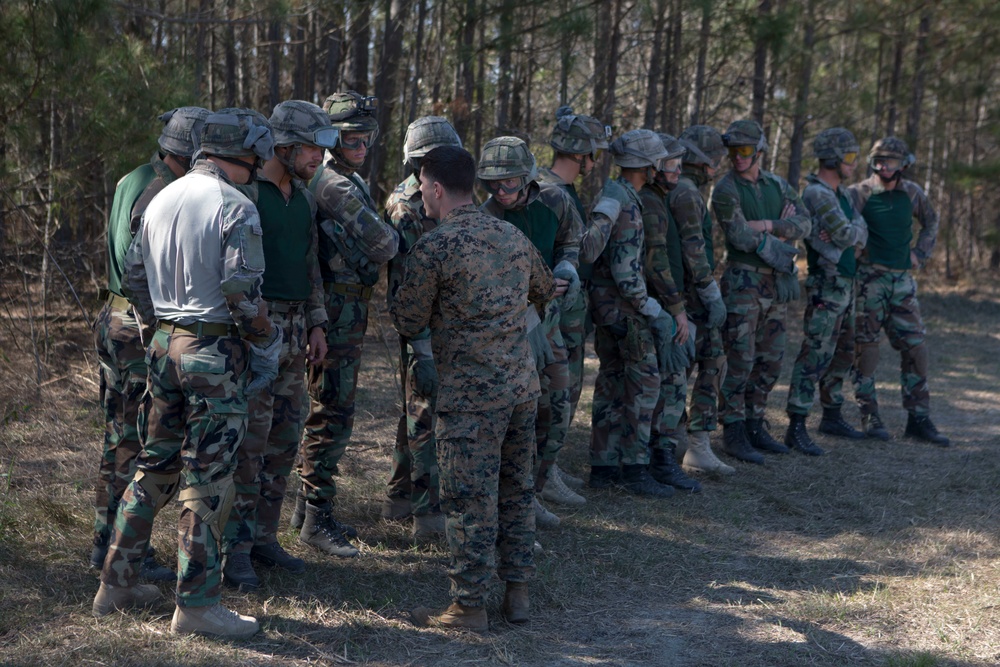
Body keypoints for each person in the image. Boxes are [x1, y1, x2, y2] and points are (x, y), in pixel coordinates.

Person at [95, 108, 279, 638]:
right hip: (214, 351)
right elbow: (243, 294)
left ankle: (117, 581)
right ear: (242, 159)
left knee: (154, 464)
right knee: (209, 476)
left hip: (164, 348)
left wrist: (161, 328)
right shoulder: (235, 206)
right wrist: (266, 339)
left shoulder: (161, 198)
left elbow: (133, 277)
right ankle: (196, 603)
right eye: (255, 161)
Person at [391, 145, 555, 632]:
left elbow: (407, 318)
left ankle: (469, 606)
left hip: (469, 398)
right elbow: (544, 289)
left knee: (468, 500)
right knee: (517, 490)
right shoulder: (510, 235)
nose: (421, 195)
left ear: (437, 188)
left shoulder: (435, 246)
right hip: (522, 390)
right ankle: (518, 594)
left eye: (422, 187)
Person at [91, 106, 209, 581]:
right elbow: (140, 267)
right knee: (135, 443)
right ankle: (121, 554)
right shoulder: (163, 188)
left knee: (117, 438)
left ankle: (106, 543)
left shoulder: (132, 177)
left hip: (114, 314)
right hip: (135, 325)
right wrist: (156, 323)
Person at [221, 100, 334, 590]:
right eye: (313, 148)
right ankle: (234, 549)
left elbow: (311, 266)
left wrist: (317, 323)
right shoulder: (246, 192)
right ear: (284, 146)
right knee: (250, 445)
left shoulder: (305, 197)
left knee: (285, 442)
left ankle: (265, 537)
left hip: (295, 333)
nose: (320, 158)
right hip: (256, 334)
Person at [296, 91, 400, 557]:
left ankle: (306, 510)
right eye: (350, 139)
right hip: (336, 311)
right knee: (331, 413)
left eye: (366, 138)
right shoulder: (333, 184)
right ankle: (316, 517)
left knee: (327, 409)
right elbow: (384, 245)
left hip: (344, 308)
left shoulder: (342, 179)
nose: (360, 147)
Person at [479, 136, 584, 526]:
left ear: (527, 178)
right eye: (491, 184)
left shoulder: (556, 201)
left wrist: (567, 269)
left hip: (549, 320)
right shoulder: (485, 216)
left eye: (508, 183)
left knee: (558, 399)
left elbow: (571, 241)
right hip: (509, 330)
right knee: (518, 414)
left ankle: (543, 480)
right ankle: (517, 496)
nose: (500, 192)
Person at [711, 119, 811, 464]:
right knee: (740, 359)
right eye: (732, 151)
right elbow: (738, 236)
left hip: (776, 284)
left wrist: (768, 226)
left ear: (759, 151)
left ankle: (755, 423)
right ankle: (734, 430)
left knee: (770, 360)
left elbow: (805, 222)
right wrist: (783, 239)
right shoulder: (725, 190)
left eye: (745, 151)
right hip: (743, 283)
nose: (737, 157)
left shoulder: (778, 185)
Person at [383, 115, 463, 543]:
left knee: (415, 408)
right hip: (421, 322)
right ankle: (426, 513)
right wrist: (423, 344)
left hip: (436, 318)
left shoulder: (431, 195)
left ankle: (398, 495)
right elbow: (415, 280)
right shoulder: (408, 208)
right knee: (426, 412)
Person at [587, 129, 676, 497]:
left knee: (611, 382)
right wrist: (654, 310)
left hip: (608, 310)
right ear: (648, 165)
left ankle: (604, 467)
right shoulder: (624, 202)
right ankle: (635, 469)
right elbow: (627, 273)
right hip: (624, 312)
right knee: (645, 384)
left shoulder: (616, 194)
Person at [848, 136, 949, 446]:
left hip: (902, 282)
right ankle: (869, 416)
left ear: (904, 165)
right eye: (879, 161)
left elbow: (932, 222)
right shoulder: (859, 194)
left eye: (890, 161)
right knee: (867, 349)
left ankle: (918, 418)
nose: (884, 166)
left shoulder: (912, 192)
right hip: (869, 280)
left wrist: (921, 252)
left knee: (915, 347)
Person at [536, 107, 610, 493]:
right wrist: (606, 216)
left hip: (569, 310)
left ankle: (549, 466)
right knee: (557, 394)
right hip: (555, 311)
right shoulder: (550, 192)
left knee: (567, 391)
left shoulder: (558, 189)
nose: (594, 161)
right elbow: (585, 250)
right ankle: (542, 474)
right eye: (593, 152)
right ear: (582, 155)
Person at [783, 128, 868, 455]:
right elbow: (847, 235)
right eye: (848, 157)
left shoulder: (843, 194)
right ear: (832, 158)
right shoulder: (817, 193)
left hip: (847, 282)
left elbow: (860, 231)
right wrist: (851, 236)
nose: (853, 163)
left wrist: (852, 235)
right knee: (815, 353)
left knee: (844, 350)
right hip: (827, 284)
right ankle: (796, 425)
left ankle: (831, 414)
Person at [637, 133, 701, 492]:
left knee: (668, 382)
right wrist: (676, 309)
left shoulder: (660, 199)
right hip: (658, 307)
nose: (677, 171)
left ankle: (659, 456)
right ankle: (659, 459)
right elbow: (655, 260)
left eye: (679, 164)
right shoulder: (649, 202)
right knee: (671, 382)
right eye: (671, 165)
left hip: (665, 304)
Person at [672, 125, 733, 475]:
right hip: (690, 298)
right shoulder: (687, 193)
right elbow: (694, 252)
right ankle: (688, 443)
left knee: (708, 362)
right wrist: (711, 294)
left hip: (690, 296)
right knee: (700, 366)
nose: (717, 168)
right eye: (715, 160)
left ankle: (694, 443)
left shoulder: (687, 190)